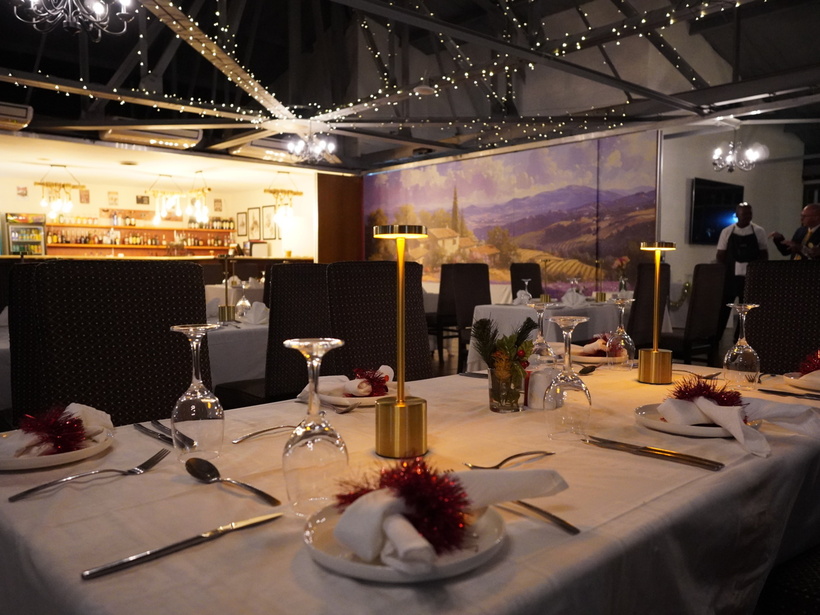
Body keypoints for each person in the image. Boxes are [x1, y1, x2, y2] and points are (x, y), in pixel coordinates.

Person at [715, 202, 768, 339]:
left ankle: (740, 338)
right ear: (737, 214)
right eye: (744, 213)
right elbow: (720, 255)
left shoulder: (758, 231)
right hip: (730, 277)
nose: (747, 216)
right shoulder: (727, 231)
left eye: (749, 213)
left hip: (750, 278)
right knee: (723, 308)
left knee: (745, 310)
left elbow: (763, 255)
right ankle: (716, 337)